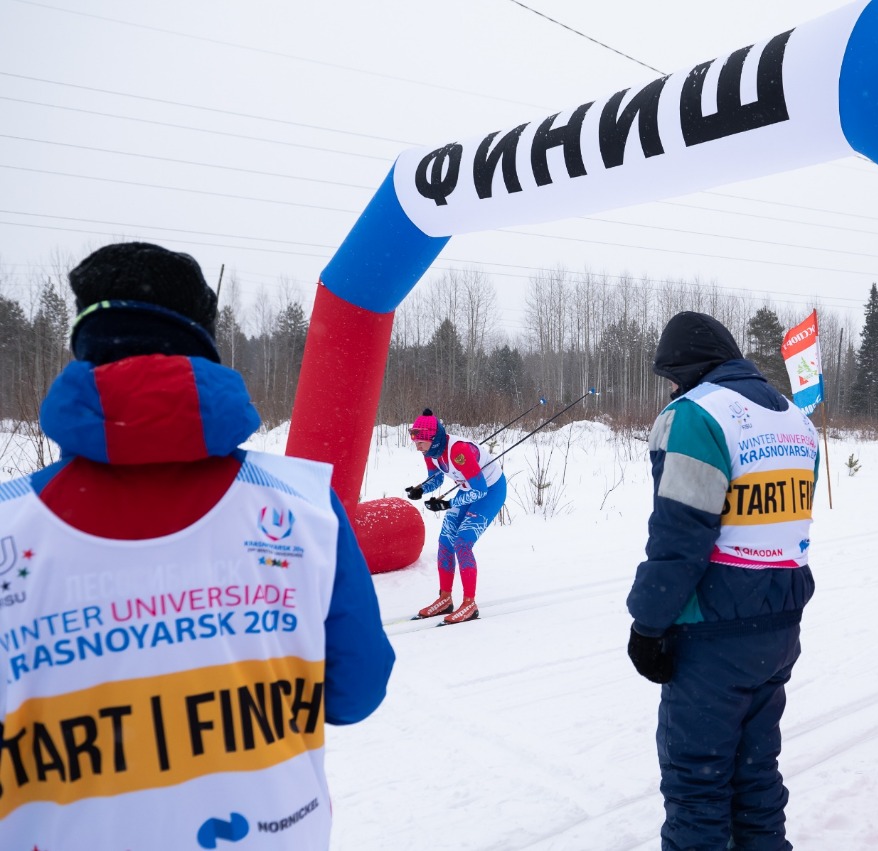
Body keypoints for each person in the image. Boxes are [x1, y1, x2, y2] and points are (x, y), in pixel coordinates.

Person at [0, 242, 395, 850]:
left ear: (84, 350)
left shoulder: (10, 525)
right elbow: (357, 689)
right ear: (203, 346)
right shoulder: (304, 505)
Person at [625, 311, 819, 851]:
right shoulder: (795, 420)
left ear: (686, 369)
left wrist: (649, 622)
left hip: (711, 632)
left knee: (698, 786)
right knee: (756, 777)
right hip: (779, 627)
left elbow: (681, 532)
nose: (670, 387)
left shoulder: (696, 415)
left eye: (671, 376)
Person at [404, 409, 507, 625]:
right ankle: (444, 599)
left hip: (490, 491)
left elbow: (480, 491)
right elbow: (436, 478)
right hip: (468, 488)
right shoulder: (430, 451)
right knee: (445, 542)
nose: (416, 444)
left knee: (462, 542)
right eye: (413, 437)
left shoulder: (458, 451)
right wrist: (421, 489)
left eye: (419, 439)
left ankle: (469, 604)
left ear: (433, 438)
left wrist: (448, 503)